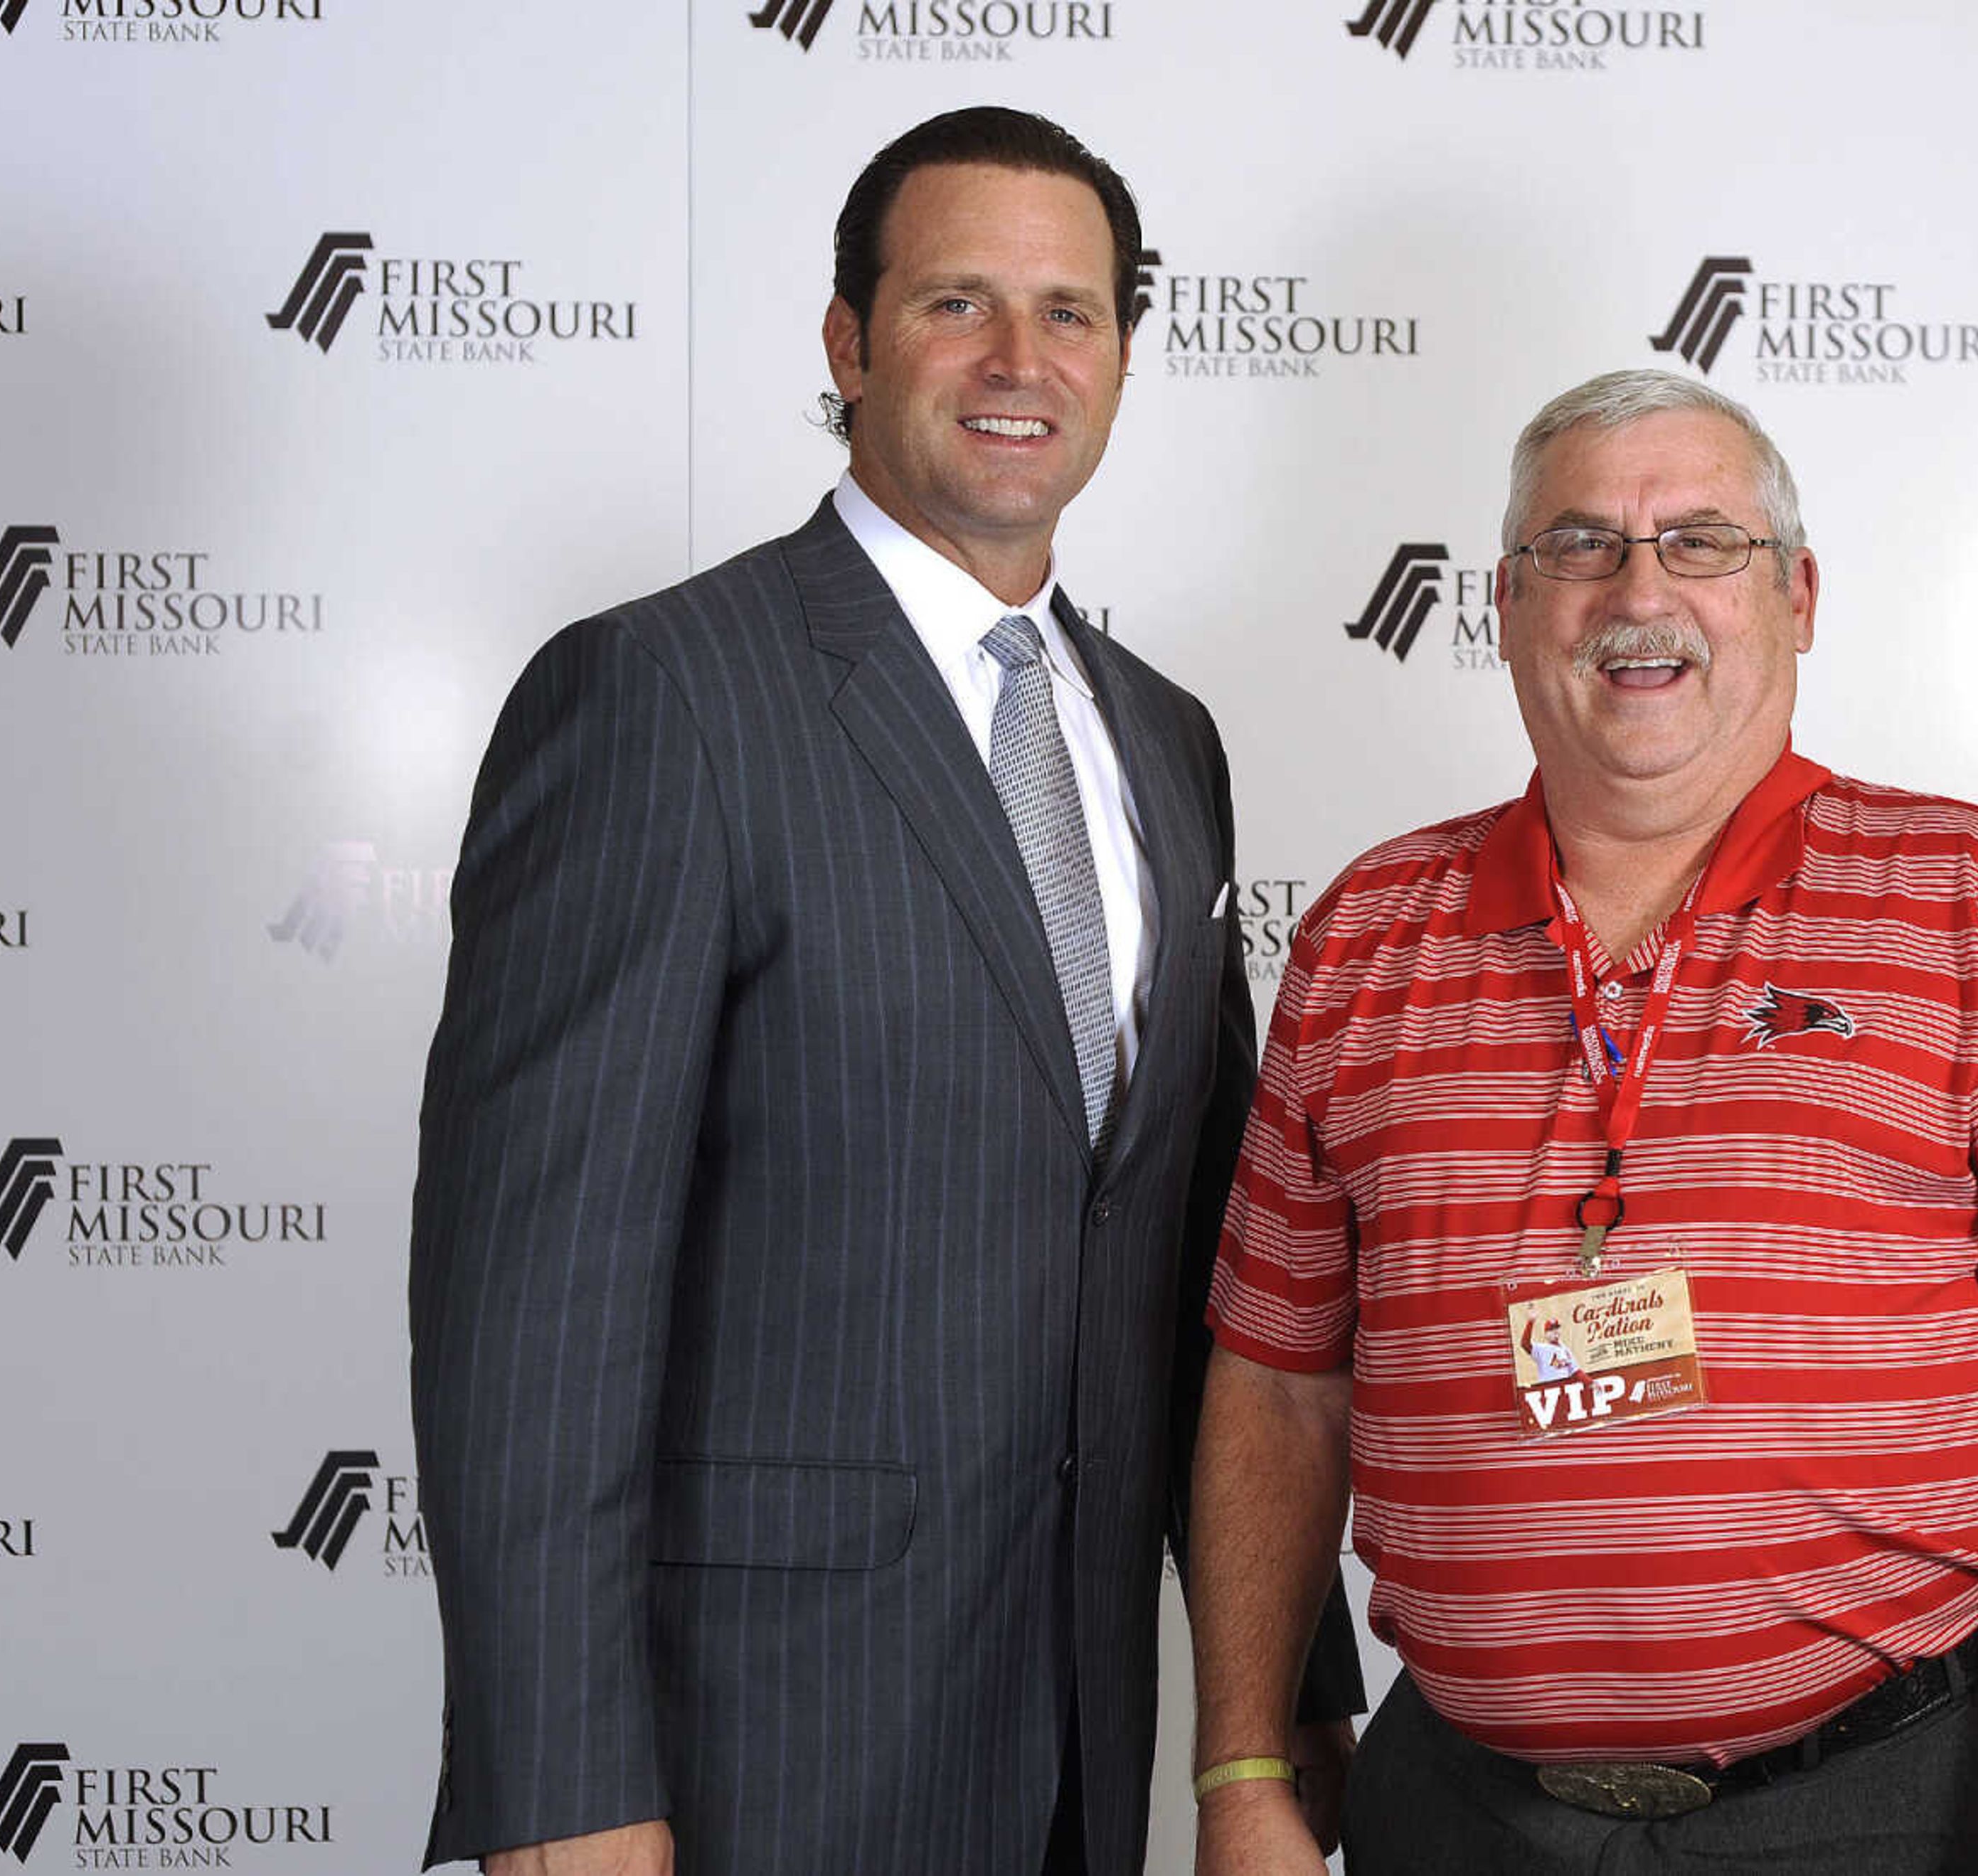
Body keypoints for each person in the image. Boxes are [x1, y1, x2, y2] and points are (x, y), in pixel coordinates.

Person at [408, 107, 1357, 1876]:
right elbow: (531, 1305)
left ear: (1127, 359)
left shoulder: (1166, 738)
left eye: (1072, 313)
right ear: (848, 342)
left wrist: (1283, 1691)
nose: (1021, 361)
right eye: (957, 305)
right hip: (748, 1748)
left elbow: (1214, 1265)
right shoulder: (659, 697)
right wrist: (558, 1784)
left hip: (1083, 1728)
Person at [1185, 369, 1978, 1875]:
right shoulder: (1364, 935)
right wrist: (1239, 1762)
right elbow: (1277, 1386)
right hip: (1457, 1813)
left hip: (1881, 1806)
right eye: (1583, 544)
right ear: (1504, 601)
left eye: (1704, 542)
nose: (1640, 589)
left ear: (1797, 595)